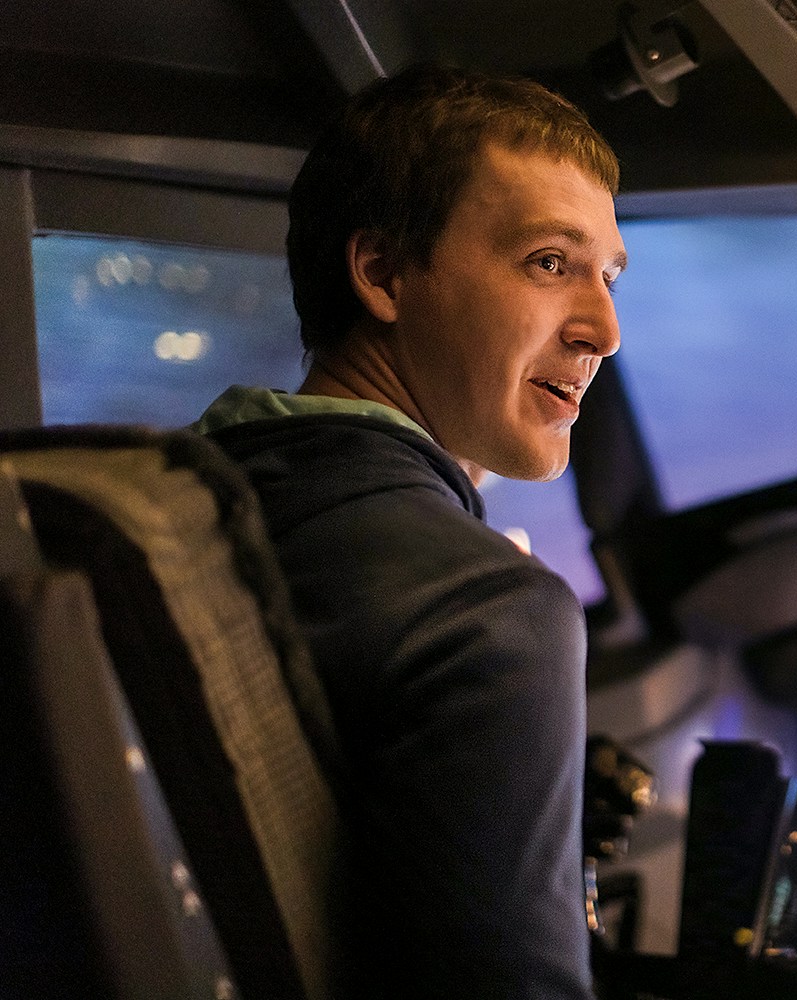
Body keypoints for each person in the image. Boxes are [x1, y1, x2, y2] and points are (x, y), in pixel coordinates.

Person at [194, 63, 626, 999]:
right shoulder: (486, 613)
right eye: (549, 263)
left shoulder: (187, 501)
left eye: (609, 275)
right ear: (385, 274)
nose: (603, 328)